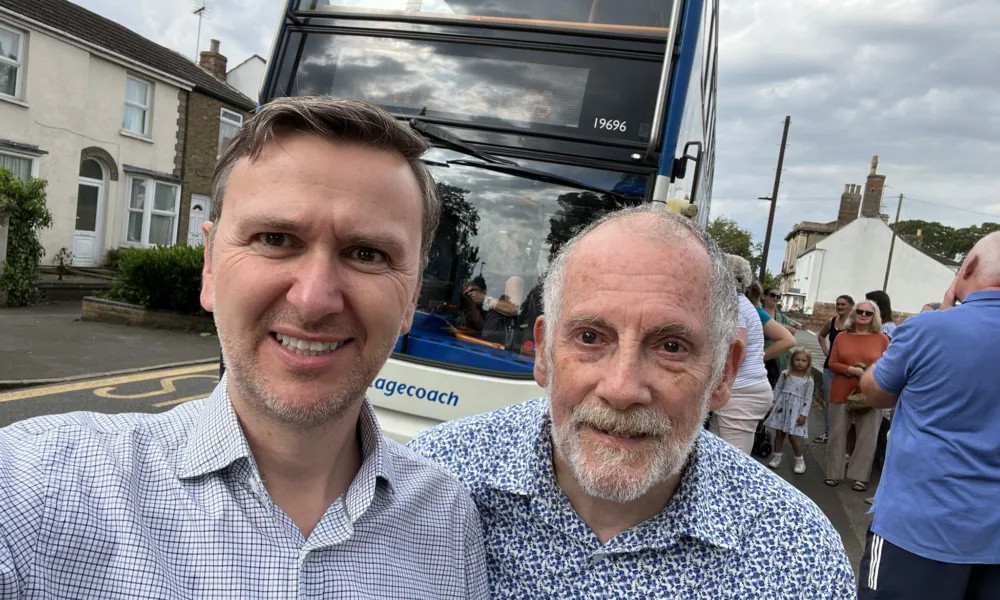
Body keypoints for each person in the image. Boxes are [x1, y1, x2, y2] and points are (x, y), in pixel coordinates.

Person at [0, 97, 488, 597]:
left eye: (367, 253)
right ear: (209, 265)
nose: (314, 298)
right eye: (275, 238)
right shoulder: (41, 485)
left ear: (410, 297)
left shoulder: (448, 520)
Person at [409, 206, 855, 598]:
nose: (621, 390)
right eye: (590, 337)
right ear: (544, 353)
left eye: (672, 347)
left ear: (723, 374)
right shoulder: (426, 488)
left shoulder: (795, 556)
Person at [856, 232, 1000, 599]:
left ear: (966, 268)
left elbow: (874, 392)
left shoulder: (929, 329)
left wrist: (944, 317)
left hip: (917, 531)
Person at [711, 255, 796, 454]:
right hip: (740, 391)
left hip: (741, 393)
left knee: (733, 466)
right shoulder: (740, 304)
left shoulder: (735, 306)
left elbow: (735, 351)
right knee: (717, 457)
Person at [824, 299, 889, 492]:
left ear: (874, 317)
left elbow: (888, 365)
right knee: (837, 434)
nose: (863, 315)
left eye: (868, 313)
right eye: (860, 311)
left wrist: (869, 373)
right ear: (854, 314)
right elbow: (832, 362)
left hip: (870, 393)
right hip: (842, 390)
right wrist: (851, 370)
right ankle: (833, 473)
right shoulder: (842, 337)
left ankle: (860, 476)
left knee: (867, 437)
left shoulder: (882, 339)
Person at [765, 347, 815, 474]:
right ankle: (777, 457)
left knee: (792, 436)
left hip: (796, 411)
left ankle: (799, 460)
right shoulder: (785, 374)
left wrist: (803, 415)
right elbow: (777, 389)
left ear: (808, 363)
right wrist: (772, 403)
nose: (800, 362)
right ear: (792, 360)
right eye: (797, 359)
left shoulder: (809, 380)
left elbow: (808, 399)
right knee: (779, 433)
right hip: (782, 408)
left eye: (803, 360)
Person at [815, 295, 854, 443]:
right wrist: (825, 349)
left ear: (851, 306)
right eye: (838, 304)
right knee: (829, 401)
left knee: (845, 403)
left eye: (843, 304)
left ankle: (841, 435)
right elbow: (821, 335)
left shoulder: (854, 324)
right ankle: (828, 433)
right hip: (830, 367)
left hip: (848, 369)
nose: (839, 307)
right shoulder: (831, 322)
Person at [762, 286, 799, 386]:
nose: (775, 298)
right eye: (772, 295)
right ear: (764, 297)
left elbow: (792, 331)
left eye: (778, 297)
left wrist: (771, 329)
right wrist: (780, 331)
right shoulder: (758, 313)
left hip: (779, 357)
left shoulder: (781, 317)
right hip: (762, 355)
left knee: (778, 386)